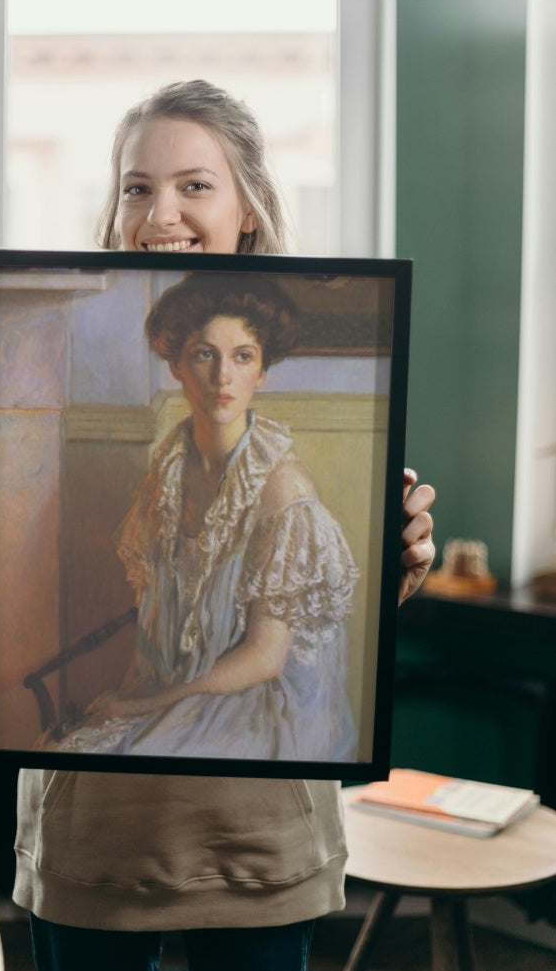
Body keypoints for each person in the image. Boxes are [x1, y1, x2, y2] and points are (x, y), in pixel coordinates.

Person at [0, 80, 436, 971]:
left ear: (247, 207)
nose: (159, 212)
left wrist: (396, 570)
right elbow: (2, 639)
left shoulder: (289, 490)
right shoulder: (159, 470)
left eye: (193, 186)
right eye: (136, 187)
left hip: (250, 829)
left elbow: (278, 651)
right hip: (95, 835)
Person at [45, 273, 359, 763]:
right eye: (204, 354)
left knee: (129, 755)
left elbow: (264, 659)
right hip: (177, 689)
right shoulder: (167, 472)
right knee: (73, 748)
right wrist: (125, 701)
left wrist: (139, 706)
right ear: (176, 365)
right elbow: (153, 621)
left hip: (258, 708)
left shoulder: (284, 491)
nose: (222, 378)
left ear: (263, 372)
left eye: (243, 357)